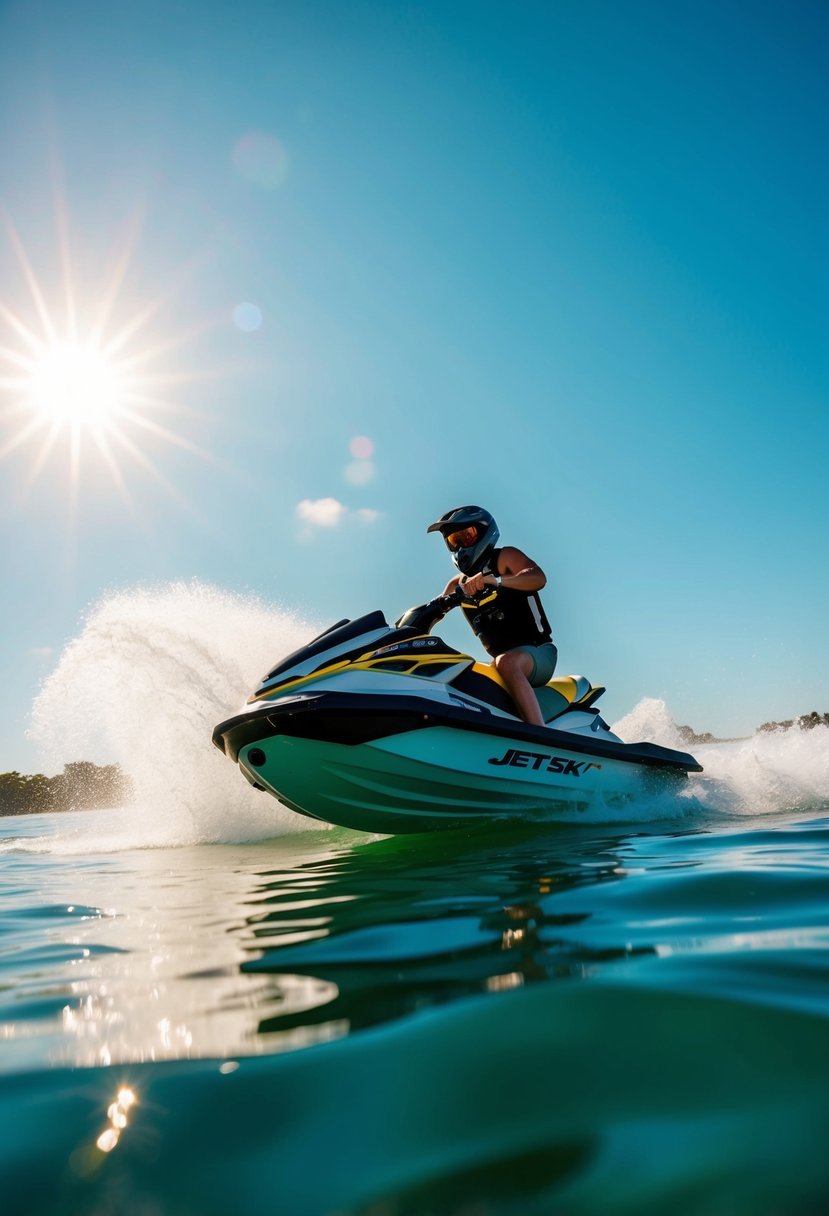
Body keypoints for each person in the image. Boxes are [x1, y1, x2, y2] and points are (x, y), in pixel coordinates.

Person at [427, 505, 557, 727]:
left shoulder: (505, 558)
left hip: (538, 653)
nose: (459, 546)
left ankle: (541, 734)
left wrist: (498, 581)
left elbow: (537, 577)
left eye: (466, 536)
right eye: (453, 541)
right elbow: (432, 611)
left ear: (484, 531)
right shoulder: (457, 585)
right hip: (500, 663)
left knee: (507, 662)